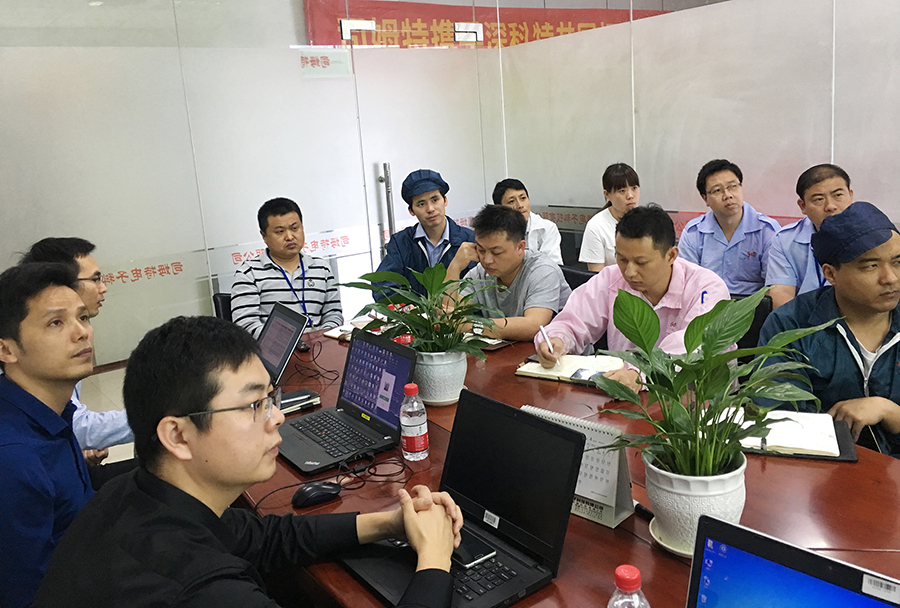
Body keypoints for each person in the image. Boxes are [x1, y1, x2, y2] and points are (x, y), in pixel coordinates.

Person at [33, 315, 462, 607]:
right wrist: (435, 559)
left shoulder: (137, 494)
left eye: (270, 398)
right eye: (254, 405)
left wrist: (391, 522)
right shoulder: (196, 588)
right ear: (178, 435)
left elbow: (264, 536)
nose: (276, 417)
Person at [536, 204, 729, 393]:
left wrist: (639, 373)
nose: (629, 272)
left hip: (695, 402)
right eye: (621, 259)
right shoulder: (611, 278)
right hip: (626, 395)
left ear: (671, 255)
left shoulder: (706, 289)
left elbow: (691, 347)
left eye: (641, 262)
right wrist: (557, 340)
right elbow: (573, 321)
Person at [758, 202, 900, 457]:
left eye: (898, 262)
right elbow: (780, 423)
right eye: (870, 266)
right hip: (822, 470)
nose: (890, 278)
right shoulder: (792, 325)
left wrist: (889, 412)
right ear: (831, 274)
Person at [0, 263, 95, 608]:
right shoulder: (15, 459)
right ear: (6, 350)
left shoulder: (50, 412)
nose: (82, 333)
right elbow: (28, 597)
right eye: (56, 322)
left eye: (83, 318)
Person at [20, 237, 134, 454]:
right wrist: (153, 417)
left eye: (82, 320)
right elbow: (77, 427)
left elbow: (64, 424)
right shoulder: (37, 346)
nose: (103, 288)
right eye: (96, 279)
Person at [445, 205, 570, 342]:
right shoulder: (481, 272)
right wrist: (455, 267)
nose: (487, 260)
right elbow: (446, 313)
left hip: (560, 351)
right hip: (512, 350)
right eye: (481, 250)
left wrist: (473, 326)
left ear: (520, 247)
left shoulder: (542, 270)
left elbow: (534, 326)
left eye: (496, 252)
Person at [232, 197, 344, 338]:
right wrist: (289, 343)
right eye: (280, 231)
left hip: (319, 346)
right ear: (264, 236)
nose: (290, 237)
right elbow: (246, 325)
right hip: (273, 350)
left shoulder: (322, 268)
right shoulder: (249, 273)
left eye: (294, 228)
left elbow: (333, 314)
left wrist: (321, 338)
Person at [679, 159, 781, 295]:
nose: (728, 195)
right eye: (717, 190)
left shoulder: (767, 230)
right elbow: (687, 284)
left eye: (733, 186)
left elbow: (775, 286)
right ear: (705, 199)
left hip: (752, 304)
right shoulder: (693, 232)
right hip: (707, 304)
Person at [374, 169, 475, 299]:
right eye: (421, 204)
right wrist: (406, 306)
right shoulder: (401, 243)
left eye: (435, 200)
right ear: (411, 210)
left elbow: (480, 286)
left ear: (445, 200)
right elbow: (383, 285)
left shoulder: (469, 239)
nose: (430, 209)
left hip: (457, 311)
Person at [766, 164, 854, 308]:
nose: (830, 206)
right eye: (819, 199)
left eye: (838, 195)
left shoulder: (875, 235)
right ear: (803, 206)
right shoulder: (784, 240)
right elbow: (781, 294)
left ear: (850, 195)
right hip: (803, 319)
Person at [579, 163, 641, 272]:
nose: (630, 195)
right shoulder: (596, 226)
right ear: (607, 194)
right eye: (622, 191)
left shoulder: (648, 220)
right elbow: (596, 275)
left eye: (634, 188)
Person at [492, 178, 562, 264]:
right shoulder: (493, 231)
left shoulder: (548, 228)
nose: (520, 205)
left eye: (523, 198)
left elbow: (552, 265)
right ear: (500, 208)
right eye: (511, 201)